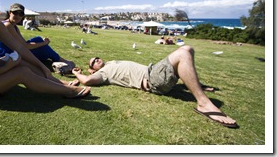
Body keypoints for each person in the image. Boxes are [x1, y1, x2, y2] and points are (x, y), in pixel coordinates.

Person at [72, 45, 238, 128]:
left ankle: (196, 86)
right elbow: (86, 81)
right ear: (92, 68)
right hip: (152, 80)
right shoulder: (103, 73)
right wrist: (76, 73)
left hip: (154, 72)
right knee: (184, 51)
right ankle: (203, 103)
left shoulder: (111, 63)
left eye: (96, 58)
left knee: (188, 51)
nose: (96, 60)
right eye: (93, 62)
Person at [0, 3, 74, 66]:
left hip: (10, 52)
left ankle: (56, 58)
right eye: (15, 13)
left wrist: (40, 43)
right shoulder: (8, 25)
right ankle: (61, 60)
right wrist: (44, 43)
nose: (18, 16)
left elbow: (23, 43)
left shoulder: (13, 25)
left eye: (20, 14)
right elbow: (25, 46)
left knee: (38, 39)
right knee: (43, 47)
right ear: (10, 13)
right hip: (5, 56)